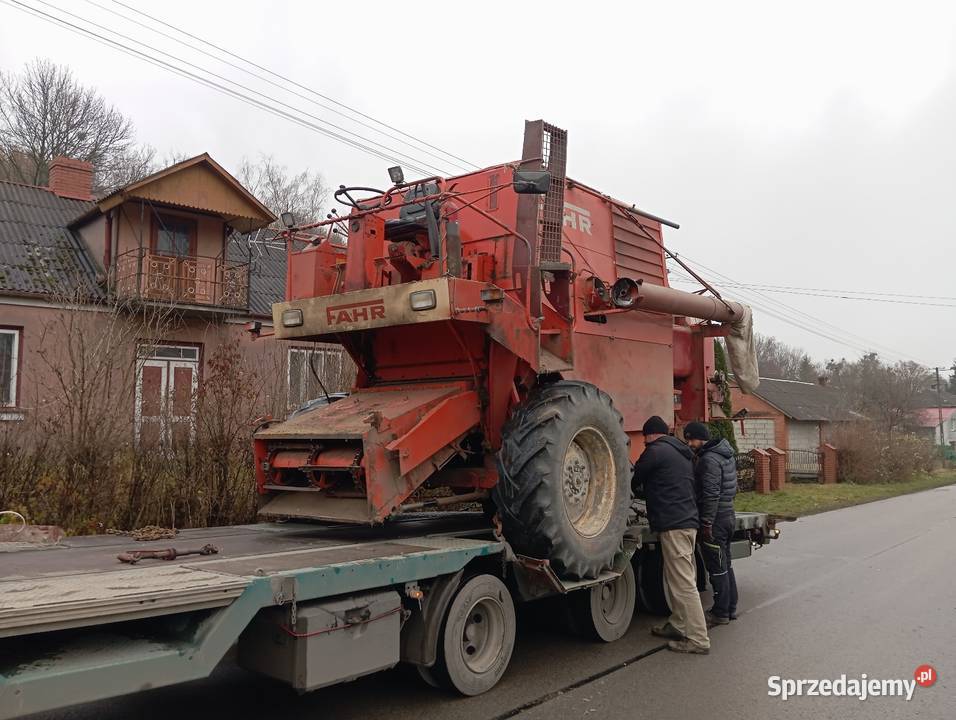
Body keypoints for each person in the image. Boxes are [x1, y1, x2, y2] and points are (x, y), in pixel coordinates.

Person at [633, 415, 710, 654]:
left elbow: (635, 480)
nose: (645, 442)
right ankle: (678, 624)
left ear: (650, 435)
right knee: (679, 579)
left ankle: (698, 639)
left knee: (683, 584)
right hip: (688, 522)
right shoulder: (681, 452)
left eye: (645, 438)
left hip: (673, 524)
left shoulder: (655, 451)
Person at [683, 421, 739, 627]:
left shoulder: (709, 460)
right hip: (728, 515)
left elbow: (711, 493)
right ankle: (731, 608)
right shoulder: (726, 455)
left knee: (716, 567)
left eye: (691, 439)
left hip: (715, 519)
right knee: (726, 563)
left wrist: (706, 523)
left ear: (700, 438)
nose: (689, 443)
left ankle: (720, 612)